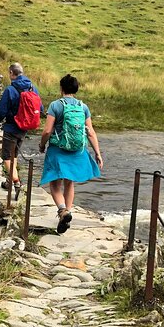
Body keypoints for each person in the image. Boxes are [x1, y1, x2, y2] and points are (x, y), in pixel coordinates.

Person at [38, 74, 103, 234]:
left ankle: (62, 211)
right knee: (69, 182)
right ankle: (67, 211)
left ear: (61, 88)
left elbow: (47, 130)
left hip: (58, 149)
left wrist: (42, 144)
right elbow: (91, 132)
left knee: (54, 183)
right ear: (75, 89)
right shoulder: (83, 107)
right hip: (77, 150)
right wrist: (97, 153)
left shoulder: (55, 105)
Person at [0, 62, 43, 189]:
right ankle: (9, 182)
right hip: (24, 128)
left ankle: (16, 182)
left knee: (7, 157)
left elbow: (2, 111)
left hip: (11, 127)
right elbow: (40, 108)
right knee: (14, 155)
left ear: (11, 73)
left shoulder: (10, 90)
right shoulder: (32, 88)